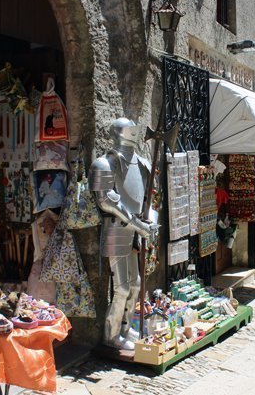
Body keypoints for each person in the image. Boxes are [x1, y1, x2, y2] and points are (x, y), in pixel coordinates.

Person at [89, 118, 158, 350]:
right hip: (116, 228)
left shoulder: (142, 163)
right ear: (120, 132)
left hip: (134, 229)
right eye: (131, 129)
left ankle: (126, 329)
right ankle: (111, 335)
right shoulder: (104, 164)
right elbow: (106, 200)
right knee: (123, 287)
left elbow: (148, 198)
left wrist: (150, 219)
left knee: (137, 285)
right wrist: (138, 224)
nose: (135, 132)